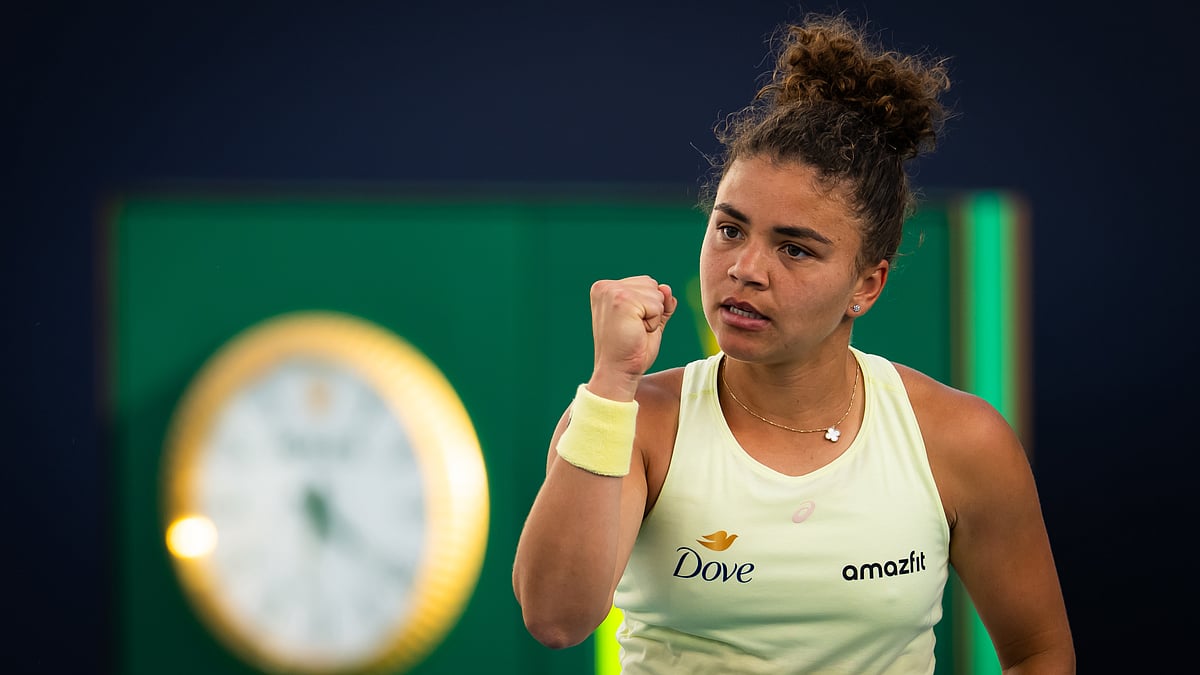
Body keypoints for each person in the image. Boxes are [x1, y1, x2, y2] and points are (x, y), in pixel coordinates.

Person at [512, 12, 1074, 674]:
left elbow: (1040, 653)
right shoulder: (628, 420)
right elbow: (556, 618)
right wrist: (612, 383)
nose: (746, 268)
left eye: (795, 248)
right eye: (730, 230)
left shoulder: (962, 439)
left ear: (866, 284)